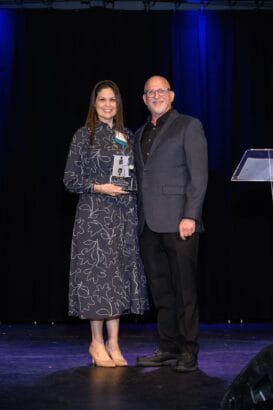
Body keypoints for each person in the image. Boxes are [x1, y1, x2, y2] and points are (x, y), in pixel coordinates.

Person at [63, 80, 148, 368]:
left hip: (122, 216)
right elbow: (70, 180)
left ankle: (114, 343)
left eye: (112, 99)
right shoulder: (82, 136)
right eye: (102, 99)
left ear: (119, 104)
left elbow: (136, 175)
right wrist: (101, 187)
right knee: (96, 279)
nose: (108, 104)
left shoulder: (127, 135)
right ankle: (96, 342)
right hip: (94, 216)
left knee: (117, 278)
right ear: (94, 104)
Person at [135, 75, 208, 372]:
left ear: (172, 94)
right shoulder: (140, 133)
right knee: (161, 291)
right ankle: (168, 347)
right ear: (143, 99)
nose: (155, 95)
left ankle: (189, 350)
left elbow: (199, 174)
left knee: (184, 290)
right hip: (148, 225)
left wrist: (191, 214)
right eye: (150, 92)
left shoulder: (189, 125)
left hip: (180, 222)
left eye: (161, 90)